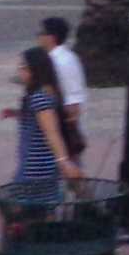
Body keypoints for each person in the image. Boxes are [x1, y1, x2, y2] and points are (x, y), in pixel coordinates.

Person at [0, 47, 83, 255]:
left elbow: (51, 132)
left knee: (16, 220)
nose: (19, 72)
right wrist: (17, 114)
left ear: (35, 70)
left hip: (35, 170)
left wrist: (64, 161)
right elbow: (44, 123)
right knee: (40, 219)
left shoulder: (40, 97)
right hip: (39, 169)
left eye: (23, 67)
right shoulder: (44, 94)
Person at [37, 16, 88, 159]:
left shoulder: (64, 61)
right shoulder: (53, 59)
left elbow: (73, 101)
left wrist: (69, 132)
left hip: (61, 128)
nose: (38, 36)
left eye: (41, 33)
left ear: (51, 37)